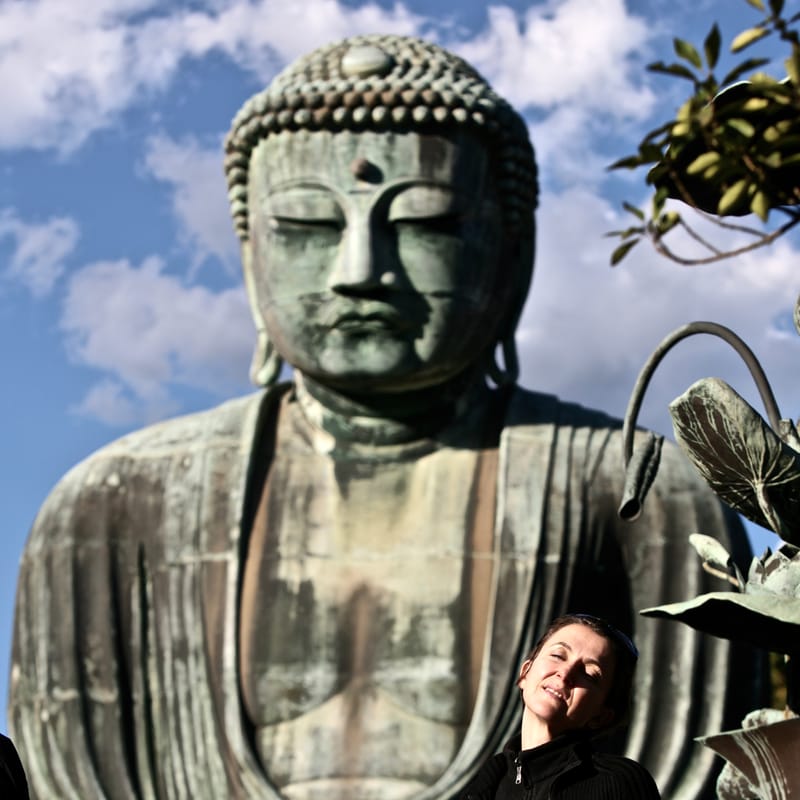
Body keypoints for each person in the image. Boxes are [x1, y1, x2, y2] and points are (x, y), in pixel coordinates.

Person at [9, 34, 762, 800]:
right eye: (307, 225)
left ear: (512, 250)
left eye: (424, 223)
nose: (360, 270)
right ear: (249, 252)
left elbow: (696, 756)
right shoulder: (111, 502)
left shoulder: (632, 483)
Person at [459, 614, 660, 799]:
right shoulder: (491, 780)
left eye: (589, 674)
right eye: (558, 655)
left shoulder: (618, 782)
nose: (566, 673)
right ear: (525, 673)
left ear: (602, 715)